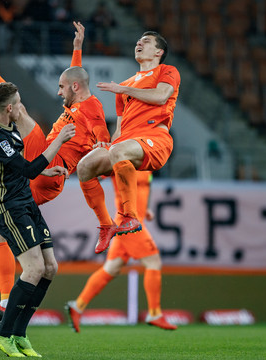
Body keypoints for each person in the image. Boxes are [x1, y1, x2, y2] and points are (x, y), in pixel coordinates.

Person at [0, 22, 111, 327]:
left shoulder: (93, 108)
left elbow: (102, 134)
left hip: (49, 169)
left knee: (18, 109)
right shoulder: (78, 96)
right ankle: (6, 303)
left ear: (75, 89)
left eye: (61, 88)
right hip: (44, 167)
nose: (58, 93)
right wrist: (78, 48)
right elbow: (75, 76)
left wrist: (102, 149)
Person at [0, 79, 75, 356]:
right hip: (8, 206)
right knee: (33, 270)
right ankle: (3, 335)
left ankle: (19, 333)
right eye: (18, 103)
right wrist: (58, 141)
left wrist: (46, 171)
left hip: (26, 201)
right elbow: (28, 170)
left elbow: (23, 169)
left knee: (50, 267)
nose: (22, 106)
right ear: (10, 108)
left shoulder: (6, 125)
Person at [76, 30, 181, 254]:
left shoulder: (167, 71)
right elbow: (120, 131)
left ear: (159, 51)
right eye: (138, 41)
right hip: (127, 143)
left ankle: (129, 217)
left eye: (145, 41)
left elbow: (161, 96)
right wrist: (107, 144)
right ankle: (106, 225)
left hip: (156, 138)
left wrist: (123, 89)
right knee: (84, 167)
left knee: (119, 151)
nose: (138, 43)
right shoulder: (124, 87)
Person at [66, 171, 177, 331]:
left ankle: (77, 306)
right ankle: (155, 313)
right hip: (128, 224)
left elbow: (146, 187)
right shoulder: (119, 158)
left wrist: (146, 208)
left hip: (135, 221)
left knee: (112, 268)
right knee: (153, 262)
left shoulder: (146, 160)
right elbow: (91, 176)